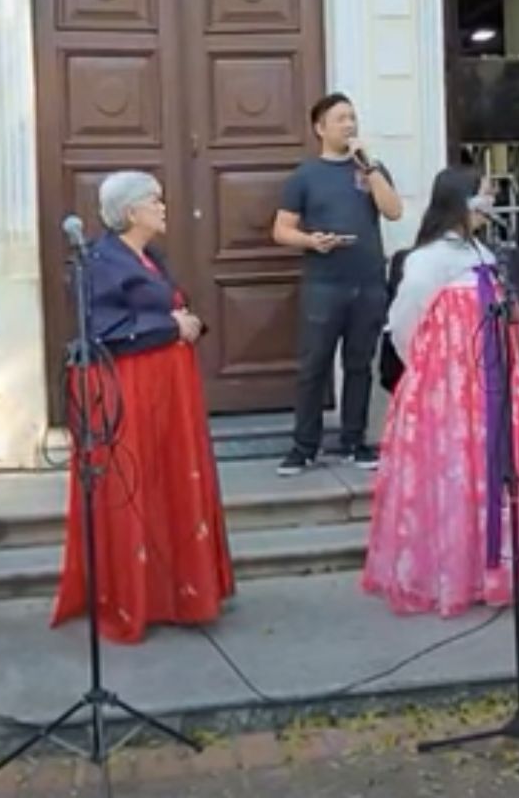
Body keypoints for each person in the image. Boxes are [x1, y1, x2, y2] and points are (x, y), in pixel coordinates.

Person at [362, 167, 519, 616]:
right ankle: (453, 568)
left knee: (495, 468)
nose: (488, 205)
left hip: (497, 381)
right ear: (460, 201)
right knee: (456, 469)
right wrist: (429, 370)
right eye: (482, 196)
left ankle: (498, 564)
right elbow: (404, 322)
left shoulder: (482, 251)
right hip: (450, 386)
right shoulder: (428, 260)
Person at [50, 171, 234, 642]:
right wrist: (171, 327)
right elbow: (106, 328)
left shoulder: (149, 255)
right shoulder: (98, 261)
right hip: (128, 387)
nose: (164, 206)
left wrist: (183, 323)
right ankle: (136, 595)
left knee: (171, 478)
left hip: (166, 386)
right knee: (136, 482)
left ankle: (180, 589)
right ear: (131, 212)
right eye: (156, 200)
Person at [272, 92, 404, 476]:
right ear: (320, 128)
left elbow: (394, 211)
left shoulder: (371, 169)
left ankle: (354, 441)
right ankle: (304, 446)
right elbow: (281, 229)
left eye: (353, 118)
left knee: (359, 365)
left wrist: (371, 167)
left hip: (369, 283)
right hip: (323, 284)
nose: (349, 125)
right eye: (341, 119)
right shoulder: (305, 176)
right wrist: (312, 241)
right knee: (313, 366)